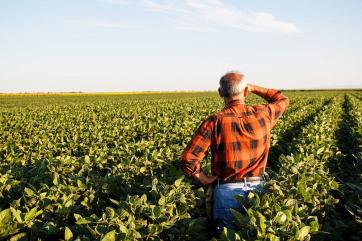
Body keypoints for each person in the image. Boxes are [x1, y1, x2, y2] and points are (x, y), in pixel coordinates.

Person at [181, 71, 289, 232]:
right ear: (245, 92)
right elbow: (282, 99)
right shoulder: (263, 114)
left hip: (225, 191)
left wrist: (203, 178)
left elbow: (188, 158)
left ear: (220, 93)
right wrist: (253, 87)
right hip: (257, 190)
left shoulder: (214, 121)